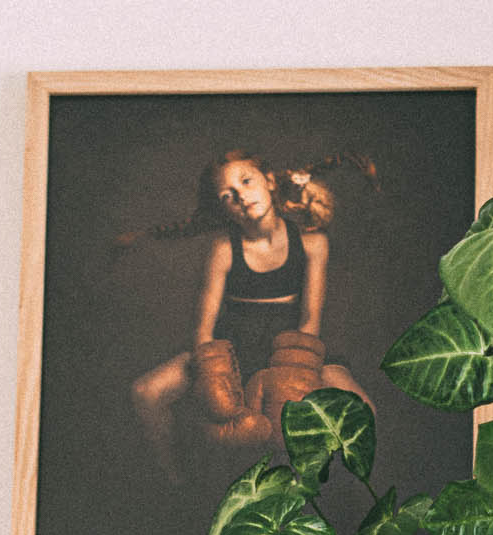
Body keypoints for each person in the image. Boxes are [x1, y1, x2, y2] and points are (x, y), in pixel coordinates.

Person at [128, 149, 374, 478]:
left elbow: (310, 321)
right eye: (228, 195)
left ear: (270, 181)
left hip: (292, 349)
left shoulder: (313, 243)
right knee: (146, 393)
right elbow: (204, 330)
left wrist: (292, 374)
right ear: (224, 209)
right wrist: (213, 373)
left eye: (246, 181)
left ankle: (333, 494)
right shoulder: (224, 249)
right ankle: (174, 484)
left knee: (363, 410)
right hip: (233, 351)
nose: (241, 196)